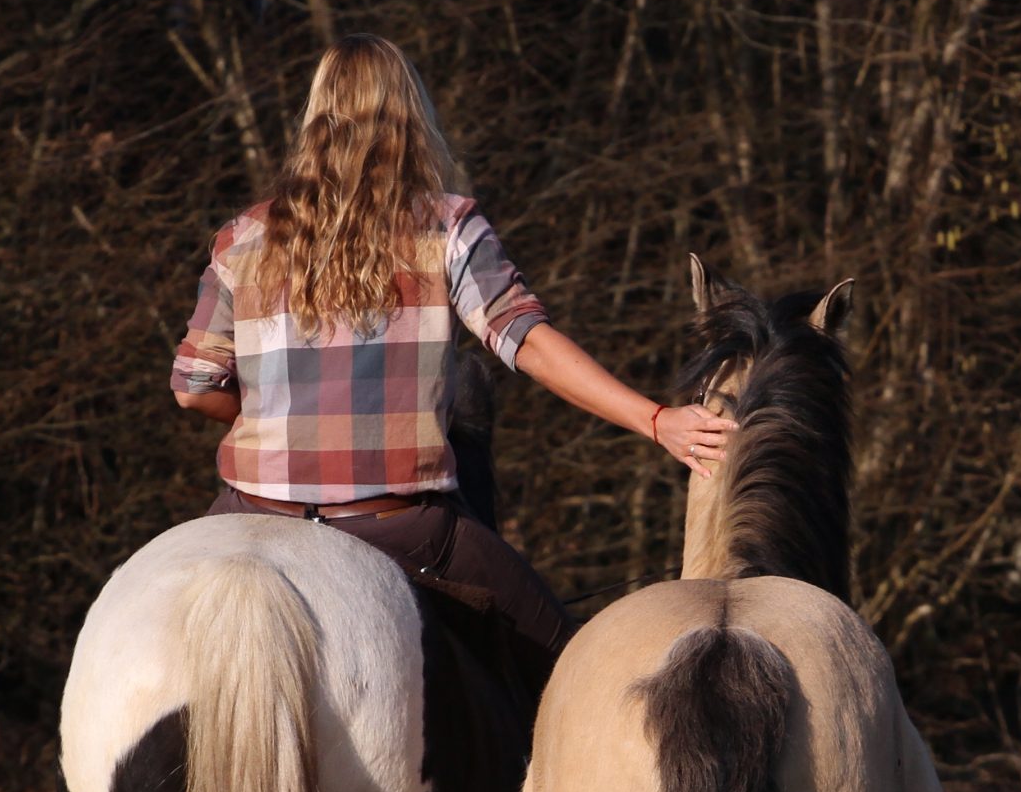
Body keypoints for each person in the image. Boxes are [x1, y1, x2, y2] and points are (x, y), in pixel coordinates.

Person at [167, 34, 737, 691]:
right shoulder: (447, 228)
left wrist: (278, 418)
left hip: (249, 515)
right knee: (577, 675)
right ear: (409, 114)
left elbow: (194, 386)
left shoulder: (243, 237)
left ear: (315, 117)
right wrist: (658, 420)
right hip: (401, 529)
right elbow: (526, 339)